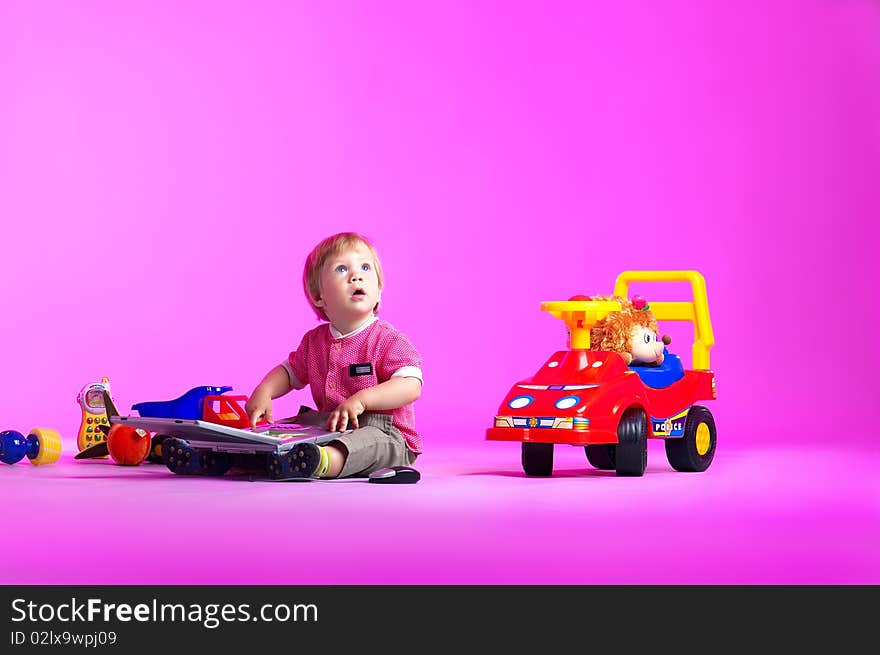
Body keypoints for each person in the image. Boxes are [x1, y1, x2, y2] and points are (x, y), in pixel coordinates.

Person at [245, 232, 423, 478]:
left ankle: (320, 461)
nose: (356, 275)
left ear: (379, 291)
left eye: (365, 267)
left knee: (365, 442)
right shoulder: (313, 342)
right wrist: (265, 390)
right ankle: (243, 454)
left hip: (386, 434)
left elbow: (410, 385)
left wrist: (363, 400)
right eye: (341, 269)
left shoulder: (386, 339)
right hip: (328, 425)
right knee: (286, 428)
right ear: (319, 297)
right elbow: (289, 372)